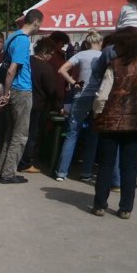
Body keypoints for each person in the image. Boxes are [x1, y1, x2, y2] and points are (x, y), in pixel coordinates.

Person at [91, 28, 137, 219]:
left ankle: (99, 205)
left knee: (106, 164)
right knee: (129, 166)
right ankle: (125, 208)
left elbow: (103, 95)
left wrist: (97, 113)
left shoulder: (115, 64)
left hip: (111, 121)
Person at [0, 9, 43, 184]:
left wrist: (5, 93)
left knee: (10, 133)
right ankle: (9, 173)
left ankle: (2, 169)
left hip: (12, 89)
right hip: (21, 90)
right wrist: (7, 93)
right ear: (36, 22)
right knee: (21, 134)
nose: (40, 28)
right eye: (40, 24)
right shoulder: (23, 41)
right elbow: (11, 70)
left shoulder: (12, 37)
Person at [55, 30, 103, 181]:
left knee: (72, 134)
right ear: (100, 42)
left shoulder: (81, 55)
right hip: (97, 96)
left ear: (87, 43)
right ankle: (86, 173)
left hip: (80, 95)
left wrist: (73, 82)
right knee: (93, 136)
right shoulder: (104, 56)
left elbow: (61, 70)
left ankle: (62, 172)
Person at [19, 38, 60, 174]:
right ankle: (25, 163)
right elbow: (51, 90)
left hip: (20, 101)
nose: (51, 57)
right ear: (45, 52)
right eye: (51, 54)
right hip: (36, 105)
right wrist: (58, 106)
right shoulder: (45, 67)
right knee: (31, 135)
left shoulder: (26, 61)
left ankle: (16, 160)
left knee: (17, 133)